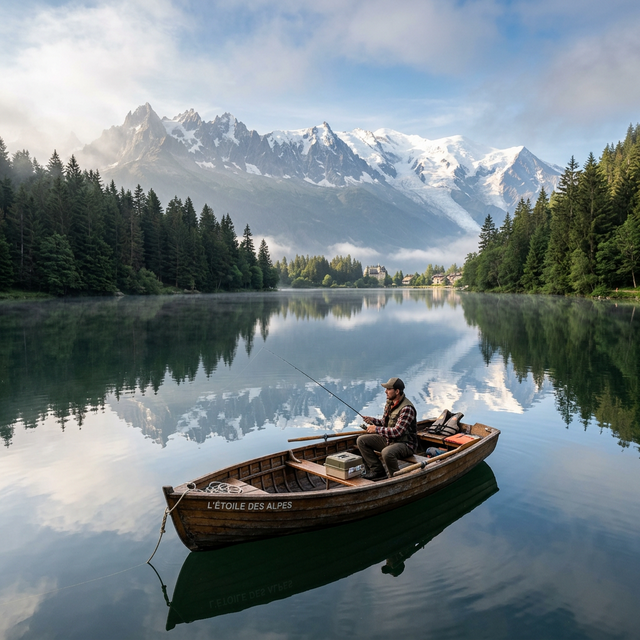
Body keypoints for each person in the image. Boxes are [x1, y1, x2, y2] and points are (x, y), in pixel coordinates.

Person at [357, 377, 418, 480]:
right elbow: (384, 423)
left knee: (387, 452)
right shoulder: (390, 403)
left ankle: (395, 478)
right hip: (390, 440)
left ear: (397, 391)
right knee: (361, 440)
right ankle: (378, 471)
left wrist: (376, 429)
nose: (386, 391)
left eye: (389, 389)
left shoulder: (407, 408)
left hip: (406, 444)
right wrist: (372, 420)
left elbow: (397, 432)